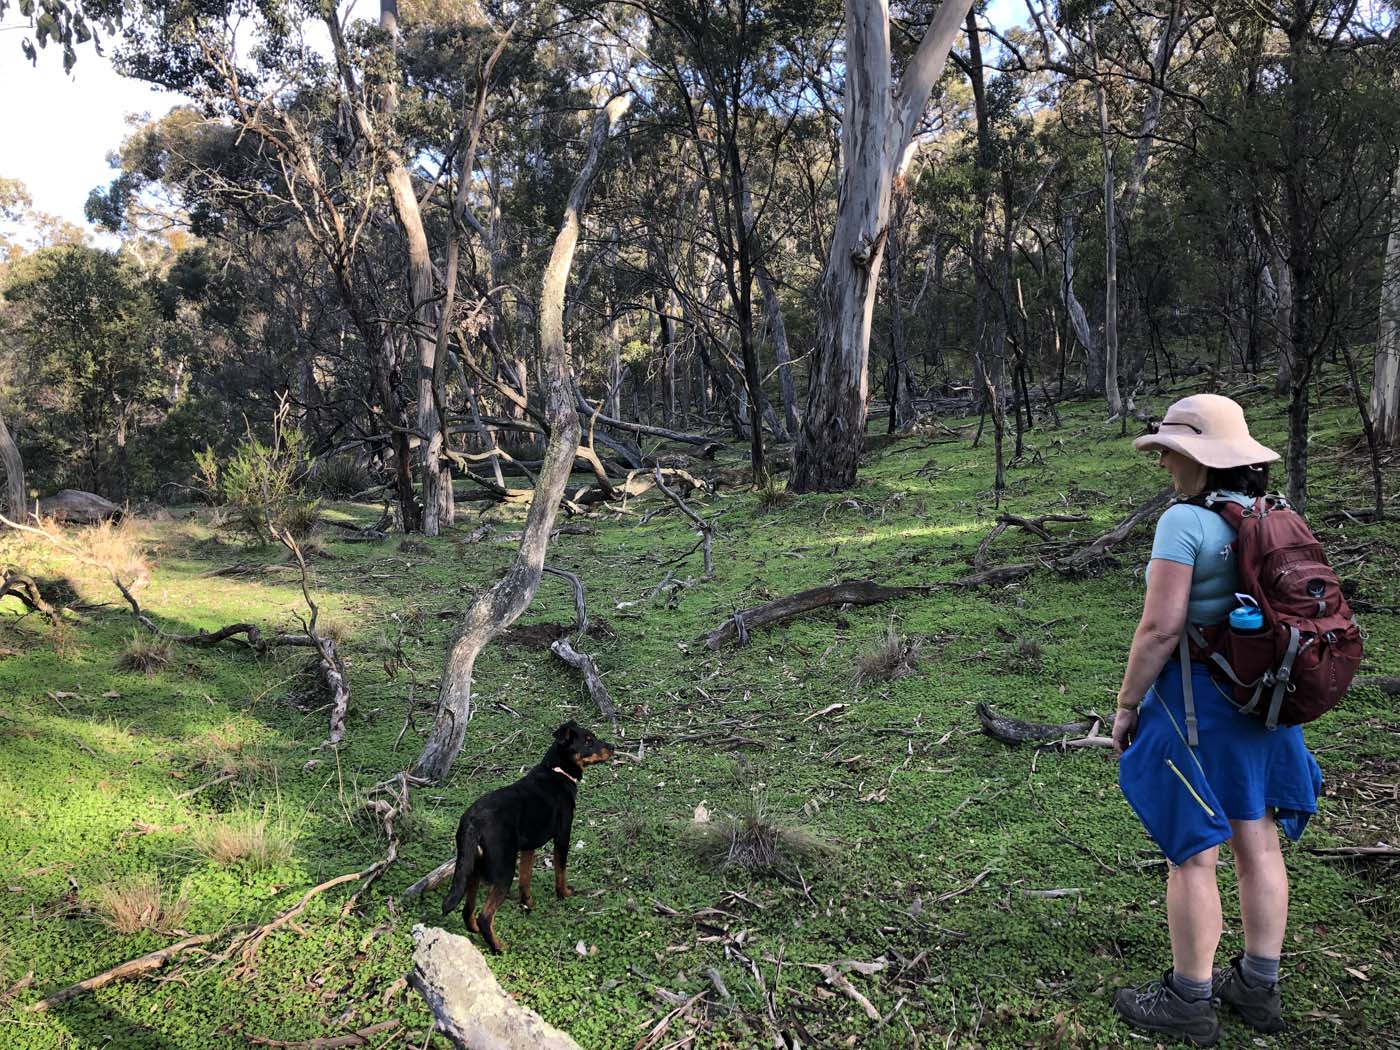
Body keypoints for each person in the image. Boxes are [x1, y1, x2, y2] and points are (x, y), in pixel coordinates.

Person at [1109, 394, 1322, 1046]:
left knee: (1194, 854)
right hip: (1265, 699)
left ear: (1202, 459)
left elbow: (1160, 628)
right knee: (1258, 841)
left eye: (1172, 451)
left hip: (1199, 703)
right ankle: (1258, 985)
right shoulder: (1270, 511)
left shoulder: (1183, 521)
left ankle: (1189, 998)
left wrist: (1126, 704)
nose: (1165, 463)